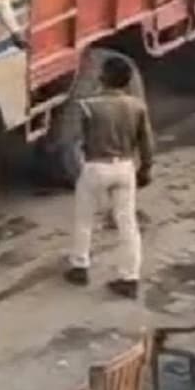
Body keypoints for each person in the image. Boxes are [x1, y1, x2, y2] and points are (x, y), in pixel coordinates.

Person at [64, 55, 155, 299]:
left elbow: (77, 140)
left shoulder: (88, 106)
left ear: (103, 77)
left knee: (84, 218)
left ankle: (80, 266)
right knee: (127, 224)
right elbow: (147, 143)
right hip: (125, 167)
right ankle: (130, 278)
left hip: (96, 166)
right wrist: (145, 169)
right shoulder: (137, 107)